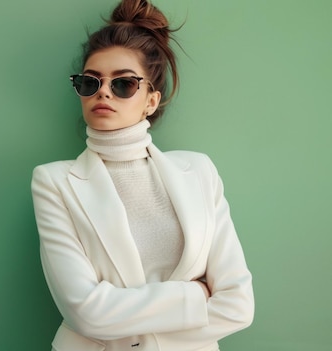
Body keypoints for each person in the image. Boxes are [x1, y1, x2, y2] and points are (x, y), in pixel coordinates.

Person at [30, 0, 255, 350]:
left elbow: (238, 305)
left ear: (151, 100)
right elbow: (86, 313)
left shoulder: (199, 171)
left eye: (124, 84)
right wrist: (194, 298)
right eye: (90, 83)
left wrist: (121, 316)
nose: (103, 91)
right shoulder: (54, 182)